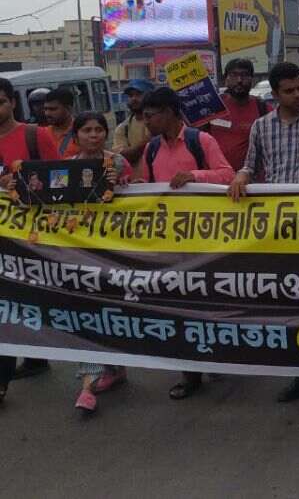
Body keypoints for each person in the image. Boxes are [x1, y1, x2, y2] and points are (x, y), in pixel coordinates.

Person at [229, 62, 299, 403]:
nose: (298, 96)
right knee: (291, 298)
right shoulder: (261, 127)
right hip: (280, 227)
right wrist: (241, 176)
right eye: (290, 91)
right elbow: (252, 164)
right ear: (275, 94)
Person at [137, 87, 235, 401]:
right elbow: (149, 189)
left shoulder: (200, 141)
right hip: (170, 241)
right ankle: (190, 372)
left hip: (205, 239)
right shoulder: (152, 148)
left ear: (168, 113)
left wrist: (193, 176)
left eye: (149, 116)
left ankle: (219, 354)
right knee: (179, 307)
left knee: (209, 303)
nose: (146, 122)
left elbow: (227, 175)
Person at [0, 77, 60, 401]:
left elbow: (60, 179)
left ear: (12, 102)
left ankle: (37, 355)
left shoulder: (35, 136)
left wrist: (20, 184)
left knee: (27, 298)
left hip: (32, 236)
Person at [70, 112, 131, 415]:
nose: (93, 135)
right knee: (86, 310)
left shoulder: (118, 164)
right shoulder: (66, 169)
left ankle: (116, 368)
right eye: (86, 130)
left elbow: (137, 196)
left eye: (99, 130)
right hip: (79, 250)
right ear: (76, 135)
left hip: (113, 248)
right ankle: (88, 384)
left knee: (111, 307)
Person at [207, 58, 269, 173]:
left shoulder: (264, 109)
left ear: (252, 79)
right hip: (215, 181)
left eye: (244, 75)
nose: (239, 80)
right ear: (226, 79)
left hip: (251, 183)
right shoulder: (213, 105)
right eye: (234, 75)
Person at [112, 78, 154, 165]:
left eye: (139, 94)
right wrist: (148, 140)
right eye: (131, 96)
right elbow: (121, 157)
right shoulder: (123, 128)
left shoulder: (161, 122)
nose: (134, 99)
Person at [43, 87, 79, 158]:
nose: (47, 113)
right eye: (45, 109)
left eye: (53, 109)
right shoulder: (42, 133)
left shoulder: (82, 131)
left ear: (68, 109)